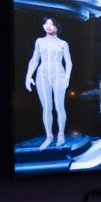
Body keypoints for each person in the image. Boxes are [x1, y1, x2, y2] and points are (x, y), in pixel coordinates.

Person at [24, 16, 72, 149]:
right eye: (45, 23)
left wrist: (67, 77)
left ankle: (61, 135)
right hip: (42, 75)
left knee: (59, 106)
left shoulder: (63, 43)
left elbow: (69, 62)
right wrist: (28, 76)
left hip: (58, 74)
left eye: (51, 24)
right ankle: (49, 136)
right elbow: (34, 59)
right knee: (46, 107)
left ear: (57, 26)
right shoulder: (39, 41)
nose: (48, 26)